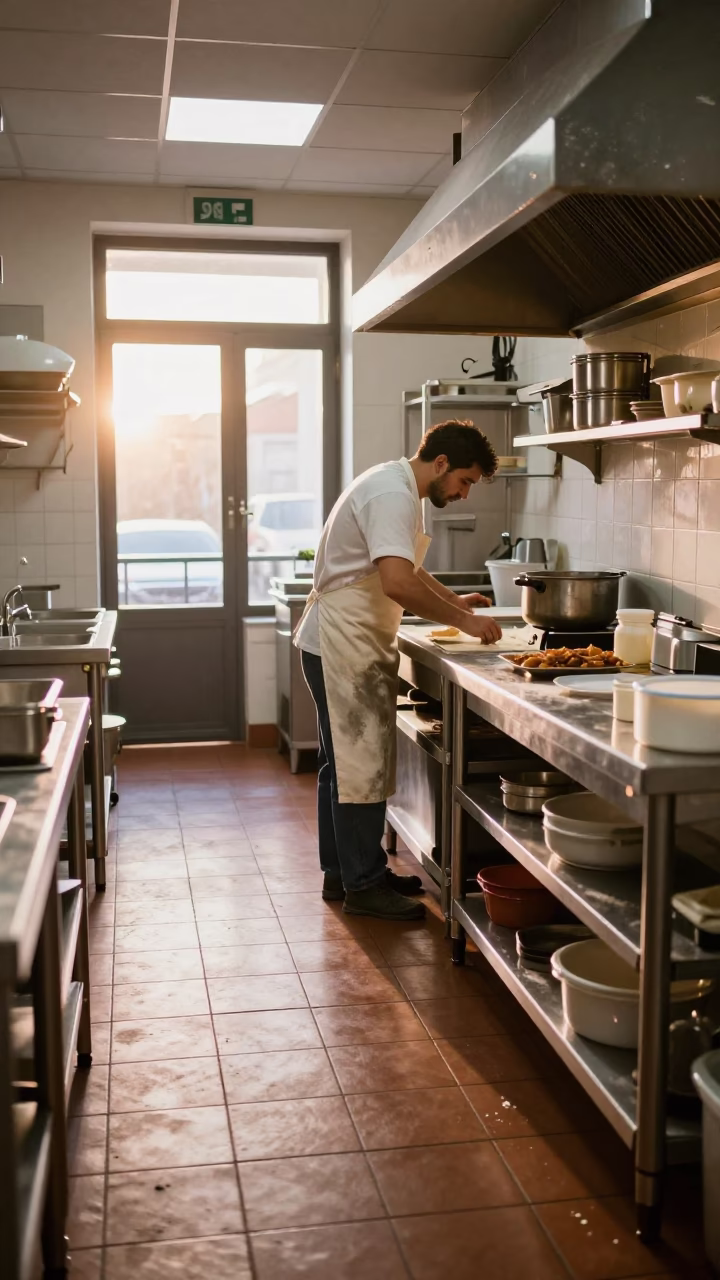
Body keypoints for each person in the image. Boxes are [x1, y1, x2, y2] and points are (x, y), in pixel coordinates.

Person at [294, 419, 502, 922]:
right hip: (343, 644)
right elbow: (398, 585)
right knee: (358, 767)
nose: (464, 493)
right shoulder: (393, 494)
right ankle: (363, 886)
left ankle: (346, 872)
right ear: (441, 463)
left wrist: (454, 601)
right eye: (465, 481)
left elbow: (405, 567)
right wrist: (465, 622)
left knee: (343, 767)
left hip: (344, 642)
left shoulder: (397, 484)